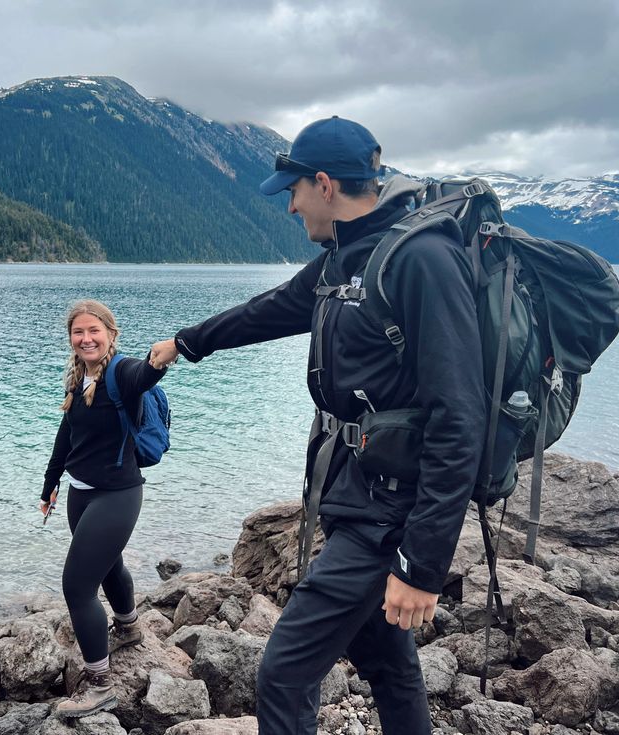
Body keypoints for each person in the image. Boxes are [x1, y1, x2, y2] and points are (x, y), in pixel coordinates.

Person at [150, 116, 486, 735]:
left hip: (389, 509)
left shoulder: (422, 259)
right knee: (383, 658)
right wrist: (185, 343)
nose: (289, 206)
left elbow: (460, 418)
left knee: (283, 672)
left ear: (324, 184)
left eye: (292, 191)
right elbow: (270, 310)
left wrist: (422, 566)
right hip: (354, 492)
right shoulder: (346, 257)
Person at [41, 299, 169, 719]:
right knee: (108, 564)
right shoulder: (79, 377)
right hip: (80, 494)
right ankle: (129, 627)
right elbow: (68, 432)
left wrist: (161, 358)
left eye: (94, 331)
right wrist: (50, 483)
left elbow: (144, 374)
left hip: (117, 495)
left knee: (77, 587)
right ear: (71, 339)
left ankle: (101, 686)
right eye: (78, 332)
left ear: (111, 334)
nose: (86, 338)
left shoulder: (122, 372)